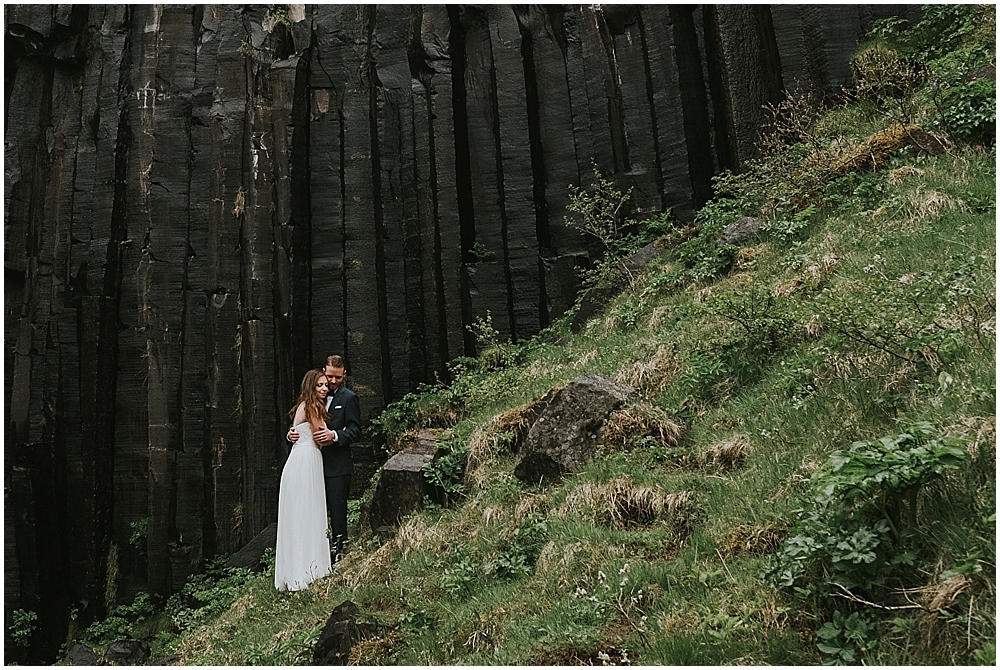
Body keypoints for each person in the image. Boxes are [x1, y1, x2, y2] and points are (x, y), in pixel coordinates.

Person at [287, 355, 361, 561]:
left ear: (344, 374)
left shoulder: (349, 398)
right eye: (329, 377)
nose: (332, 382)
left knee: (337, 510)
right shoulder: (311, 401)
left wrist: (335, 435)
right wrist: (291, 434)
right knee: (311, 511)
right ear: (323, 371)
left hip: (337, 466)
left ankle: (340, 552)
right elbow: (303, 425)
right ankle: (313, 555)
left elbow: (356, 430)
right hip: (311, 464)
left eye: (337, 377)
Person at [274, 369, 332, 592]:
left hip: (297, 459)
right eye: (319, 385)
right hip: (307, 459)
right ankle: (309, 572)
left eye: (326, 385)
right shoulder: (313, 407)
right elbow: (321, 436)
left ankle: (294, 572)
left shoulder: (301, 406)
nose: (324, 388)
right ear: (310, 387)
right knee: (308, 513)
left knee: (298, 515)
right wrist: (338, 433)